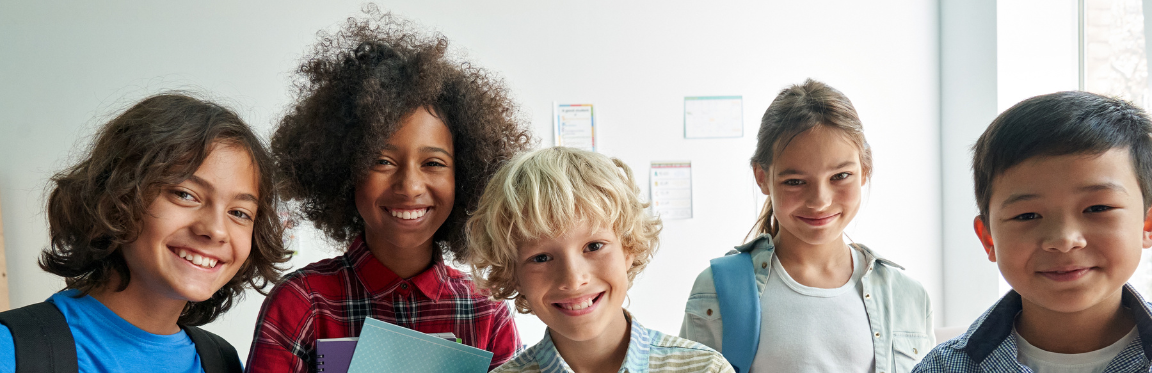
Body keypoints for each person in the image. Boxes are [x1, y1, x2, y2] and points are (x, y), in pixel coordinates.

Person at [246, 8, 532, 373]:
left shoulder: (486, 311)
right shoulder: (301, 303)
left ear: (465, 178)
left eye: (433, 163)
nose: (410, 186)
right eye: (381, 161)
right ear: (344, 170)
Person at [0, 93, 290, 372]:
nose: (215, 230)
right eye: (185, 194)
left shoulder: (223, 363)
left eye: (239, 213)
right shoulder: (13, 350)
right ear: (116, 197)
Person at [680, 79, 934, 373]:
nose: (820, 201)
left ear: (865, 169)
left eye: (840, 176)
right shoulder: (717, 289)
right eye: (795, 182)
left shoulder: (908, 296)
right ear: (762, 177)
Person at [914, 91, 1152, 372]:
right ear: (988, 238)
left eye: (1097, 208)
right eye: (1027, 215)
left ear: (1147, 226)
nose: (1064, 240)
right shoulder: (944, 368)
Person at [466, 146, 733, 373]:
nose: (573, 279)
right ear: (514, 275)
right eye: (542, 257)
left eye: (593, 246)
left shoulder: (706, 368)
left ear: (628, 248)